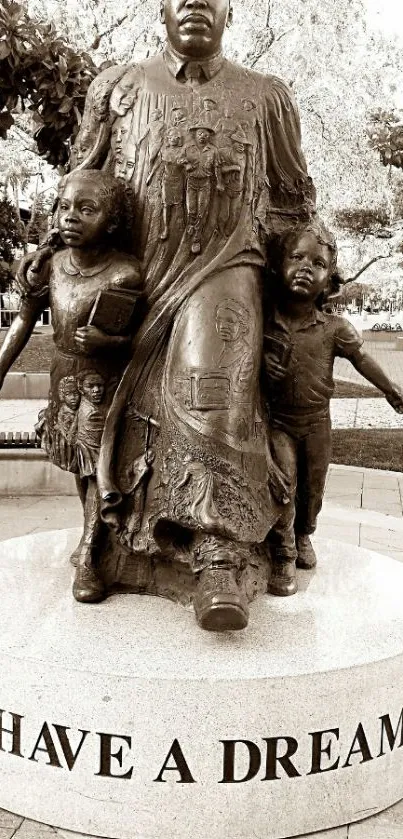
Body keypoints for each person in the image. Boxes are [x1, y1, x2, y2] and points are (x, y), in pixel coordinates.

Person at [17, 0, 316, 631]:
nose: (196, 4)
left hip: (225, 268)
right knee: (103, 406)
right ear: (163, 8)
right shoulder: (118, 88)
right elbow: (83, 180)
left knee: (212, 390)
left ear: (231, 11)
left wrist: (299, 290)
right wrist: (59, 261)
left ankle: (218, 555)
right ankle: (105, 536)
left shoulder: (267, 98)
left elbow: (292, 201)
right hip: (134, 272)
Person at [0, 170, 142, 603]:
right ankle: (90, 533)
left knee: (99, 464)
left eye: (87, 209)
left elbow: (143, 339)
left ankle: (91, 554)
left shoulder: (125, 274)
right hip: (64, 380)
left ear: (112, 221)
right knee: (78, 464)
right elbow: (24, 319)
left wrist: (108, 341)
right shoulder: (52, 266)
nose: (71, 217)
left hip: (102, 385)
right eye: (65, 207)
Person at [262, 220, 403, 596]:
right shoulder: (263, 323)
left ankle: (304, 534)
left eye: (318, 263)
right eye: (297, 257)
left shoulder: (333, 328)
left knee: (313, 489)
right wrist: (262, 362)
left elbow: (362, 360)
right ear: (279, 265)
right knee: (285, 484)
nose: (306, 268)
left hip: (316, 423)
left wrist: (391, 389)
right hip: (278, 422)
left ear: (330, 278)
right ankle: (283, 554)